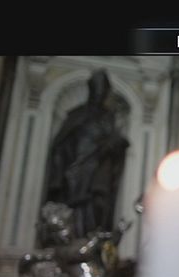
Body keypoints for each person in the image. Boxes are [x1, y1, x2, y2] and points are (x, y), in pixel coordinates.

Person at [45, 69, 129, 239]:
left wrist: (115, 144)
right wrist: (58, 174)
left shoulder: (109, 118)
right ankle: (73, 239)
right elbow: (60, 144)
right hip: (77, 167)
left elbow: (116, 142)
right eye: (97, 89)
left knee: (98, 203)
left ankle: (93, 239)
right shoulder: (77, 115)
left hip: (100, 169)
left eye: (103, 90)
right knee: (74, 205)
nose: (100, 94)